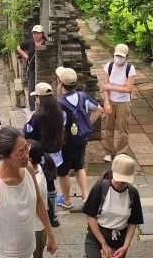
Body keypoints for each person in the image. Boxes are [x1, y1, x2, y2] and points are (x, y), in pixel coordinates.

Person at [0, 126, 58, 258]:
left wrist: (51, 235)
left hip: (26, 250)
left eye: (26, 148)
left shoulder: (28, 169)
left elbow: (39, 202)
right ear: (3, 156)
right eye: (20, 152)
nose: (27, 156)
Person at [55, 67, 103, 209]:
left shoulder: (60, 105)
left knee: (63, 172)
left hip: (66, 142)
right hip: (81, 139)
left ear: (60, 84)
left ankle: (67, 200)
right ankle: (85, 196)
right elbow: (98, 109)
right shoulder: (83, 96)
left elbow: (59, 126)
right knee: (79, 166)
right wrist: (87, 124)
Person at [82, 155, 144, 258]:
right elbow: (90, 216)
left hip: (119, 240)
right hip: (97, 238)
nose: (120, 183)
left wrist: (125, 246)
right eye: (118, 180)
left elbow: (133, 222)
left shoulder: (132, 193)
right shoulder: (100, 187)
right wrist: (104, 244)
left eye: (124, 181)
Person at [24, 82, 64, 227]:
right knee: (51, 182)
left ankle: (45, 213)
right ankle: (53, 214)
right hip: (56, 155)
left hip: (42, 155)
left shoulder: (38, 115)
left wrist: (28, 121)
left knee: (41, 183)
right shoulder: (58, 111)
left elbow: (28, 134)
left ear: (39, 98)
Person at [101, 44, 136, 162]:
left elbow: (128, 89)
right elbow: (105, 87)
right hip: (110, 100)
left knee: (123, 129)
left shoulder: (130, 69)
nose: (118, 58)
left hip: (123, 102)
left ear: (126, 57)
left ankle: (121, 152)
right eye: (117, 56)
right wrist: (106, 103)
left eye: (121, 56)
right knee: (108, 127)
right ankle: (109, 152)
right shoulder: (109, 66)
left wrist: (111, 87)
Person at [27, 140, 58, 258]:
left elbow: (39, 207)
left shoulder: (37, 182)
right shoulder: (36, 169)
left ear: (29, 160)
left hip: (35, 228)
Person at [16, 25, 48, 111]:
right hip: (31, 69)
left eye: (38, 33)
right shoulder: (30, 42)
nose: (36, 35)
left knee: (42, 88)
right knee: (32, 88)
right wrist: (27, 57)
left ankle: (42, 106)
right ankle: (33, 108)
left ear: (42, 34)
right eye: (34, 33)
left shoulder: (46, 43)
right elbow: (19, 48)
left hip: (42, 70)